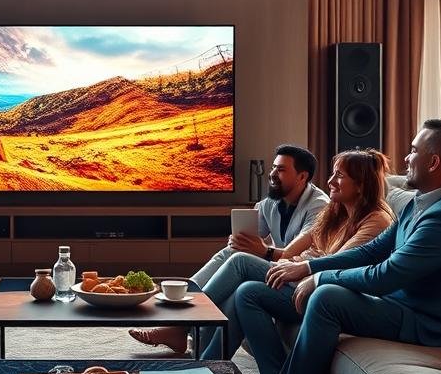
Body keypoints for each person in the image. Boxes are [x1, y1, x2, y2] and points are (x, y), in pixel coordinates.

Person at [263, 120, 441, 374]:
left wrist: (319, 278)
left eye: (414, 151)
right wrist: (308, 267)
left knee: (327, 297)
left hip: (426, 323)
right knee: (312, 292)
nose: (407, 158)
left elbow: (385, 276)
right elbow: (372, 251)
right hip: (402, 304)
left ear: (434, 162)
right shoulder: (424, 200)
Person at [129, 144, 329, 353]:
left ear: (302, 177)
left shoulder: (319, 206)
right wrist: (240, 241)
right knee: (232, 254)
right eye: (273, 168)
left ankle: (180, 322)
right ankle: (187, 322)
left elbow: (292, 254)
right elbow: (253, 238)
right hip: (280, 270)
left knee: (238, 261)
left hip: (300, 278)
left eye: (280, 170)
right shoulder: (272, 202)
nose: (272, 174)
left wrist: (263, 251)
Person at [230, 149, 394, 374]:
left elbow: (338, 263)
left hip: (331, 294)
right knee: (245, 291)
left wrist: (295, 266)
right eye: (332, 174)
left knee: (240, 263)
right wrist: (291, 263)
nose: (330, 181)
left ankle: (194, 339)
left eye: (339, 176)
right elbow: (303, 251)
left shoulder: (376, 220)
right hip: (304, 280)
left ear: (361, 185)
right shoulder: (336, 210)